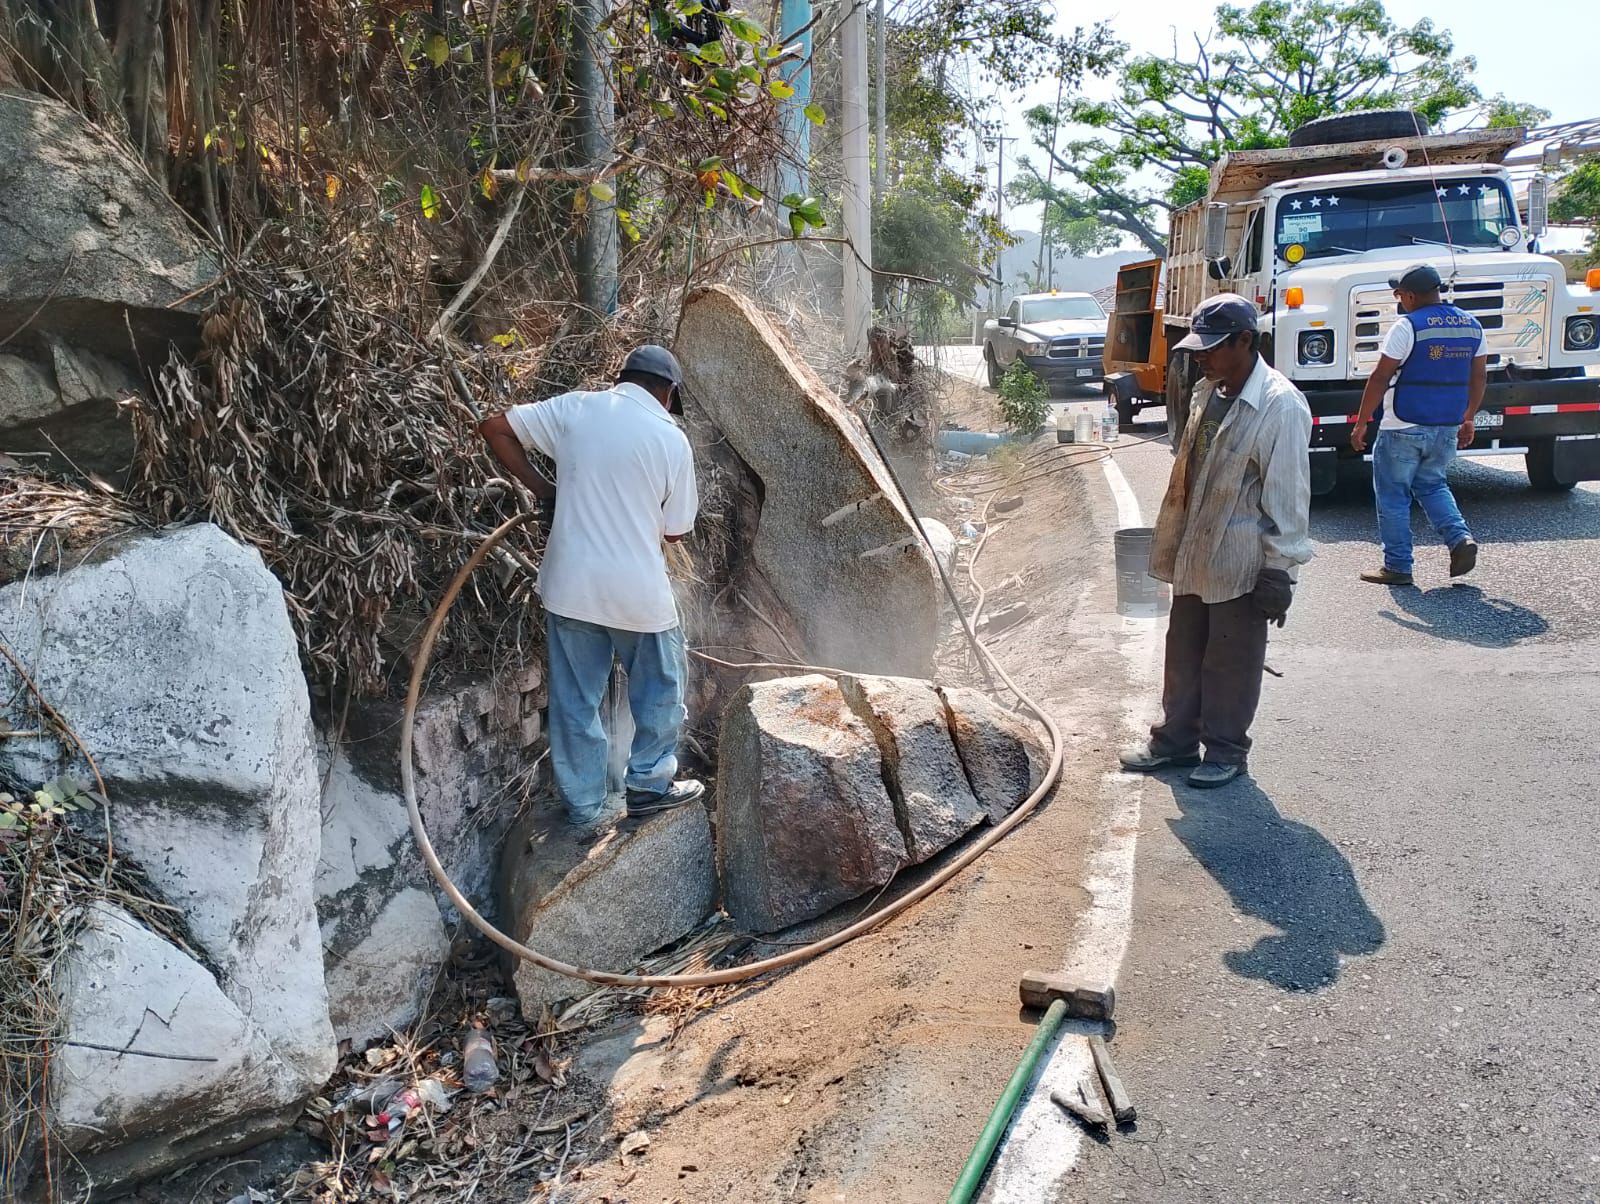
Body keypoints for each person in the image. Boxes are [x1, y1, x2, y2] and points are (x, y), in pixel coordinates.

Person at [479, 345, 703, 829]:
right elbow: (676, 531)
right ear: (668, 393)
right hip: (636, 594)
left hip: (570, 588)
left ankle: (583, 806)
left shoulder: (575, 408)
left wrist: (546, 491)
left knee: (575, 700)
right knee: (661, 687)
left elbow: (495, 426)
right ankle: (648, 785)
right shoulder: (670, 438)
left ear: (623, 378)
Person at [1119, 294, 1313, 788]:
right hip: (1195, 551)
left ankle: (1227, 751)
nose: (1201, 357)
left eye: (1212, 347)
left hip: (1240, 560)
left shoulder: (1279, 406)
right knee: (1183, 650)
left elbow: (1288, 496)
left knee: (1231, 660)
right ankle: (1175, 743)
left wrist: (1279, 569)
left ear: (1246, 341)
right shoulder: (1209, 391)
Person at [1350, 262, 1484, 586]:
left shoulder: (1407, 326)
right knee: (1433, 485)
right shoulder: (1472, 325)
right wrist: (1468, 418)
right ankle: (1459, 538)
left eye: (1398, 294)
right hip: (1446, 425)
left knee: (1393, 495)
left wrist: (1362, 421)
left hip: (1402, 425)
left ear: (1410, 295)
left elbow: (1381, 376)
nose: (1398, 299)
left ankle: (1398, 567)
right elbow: (1479, 377)